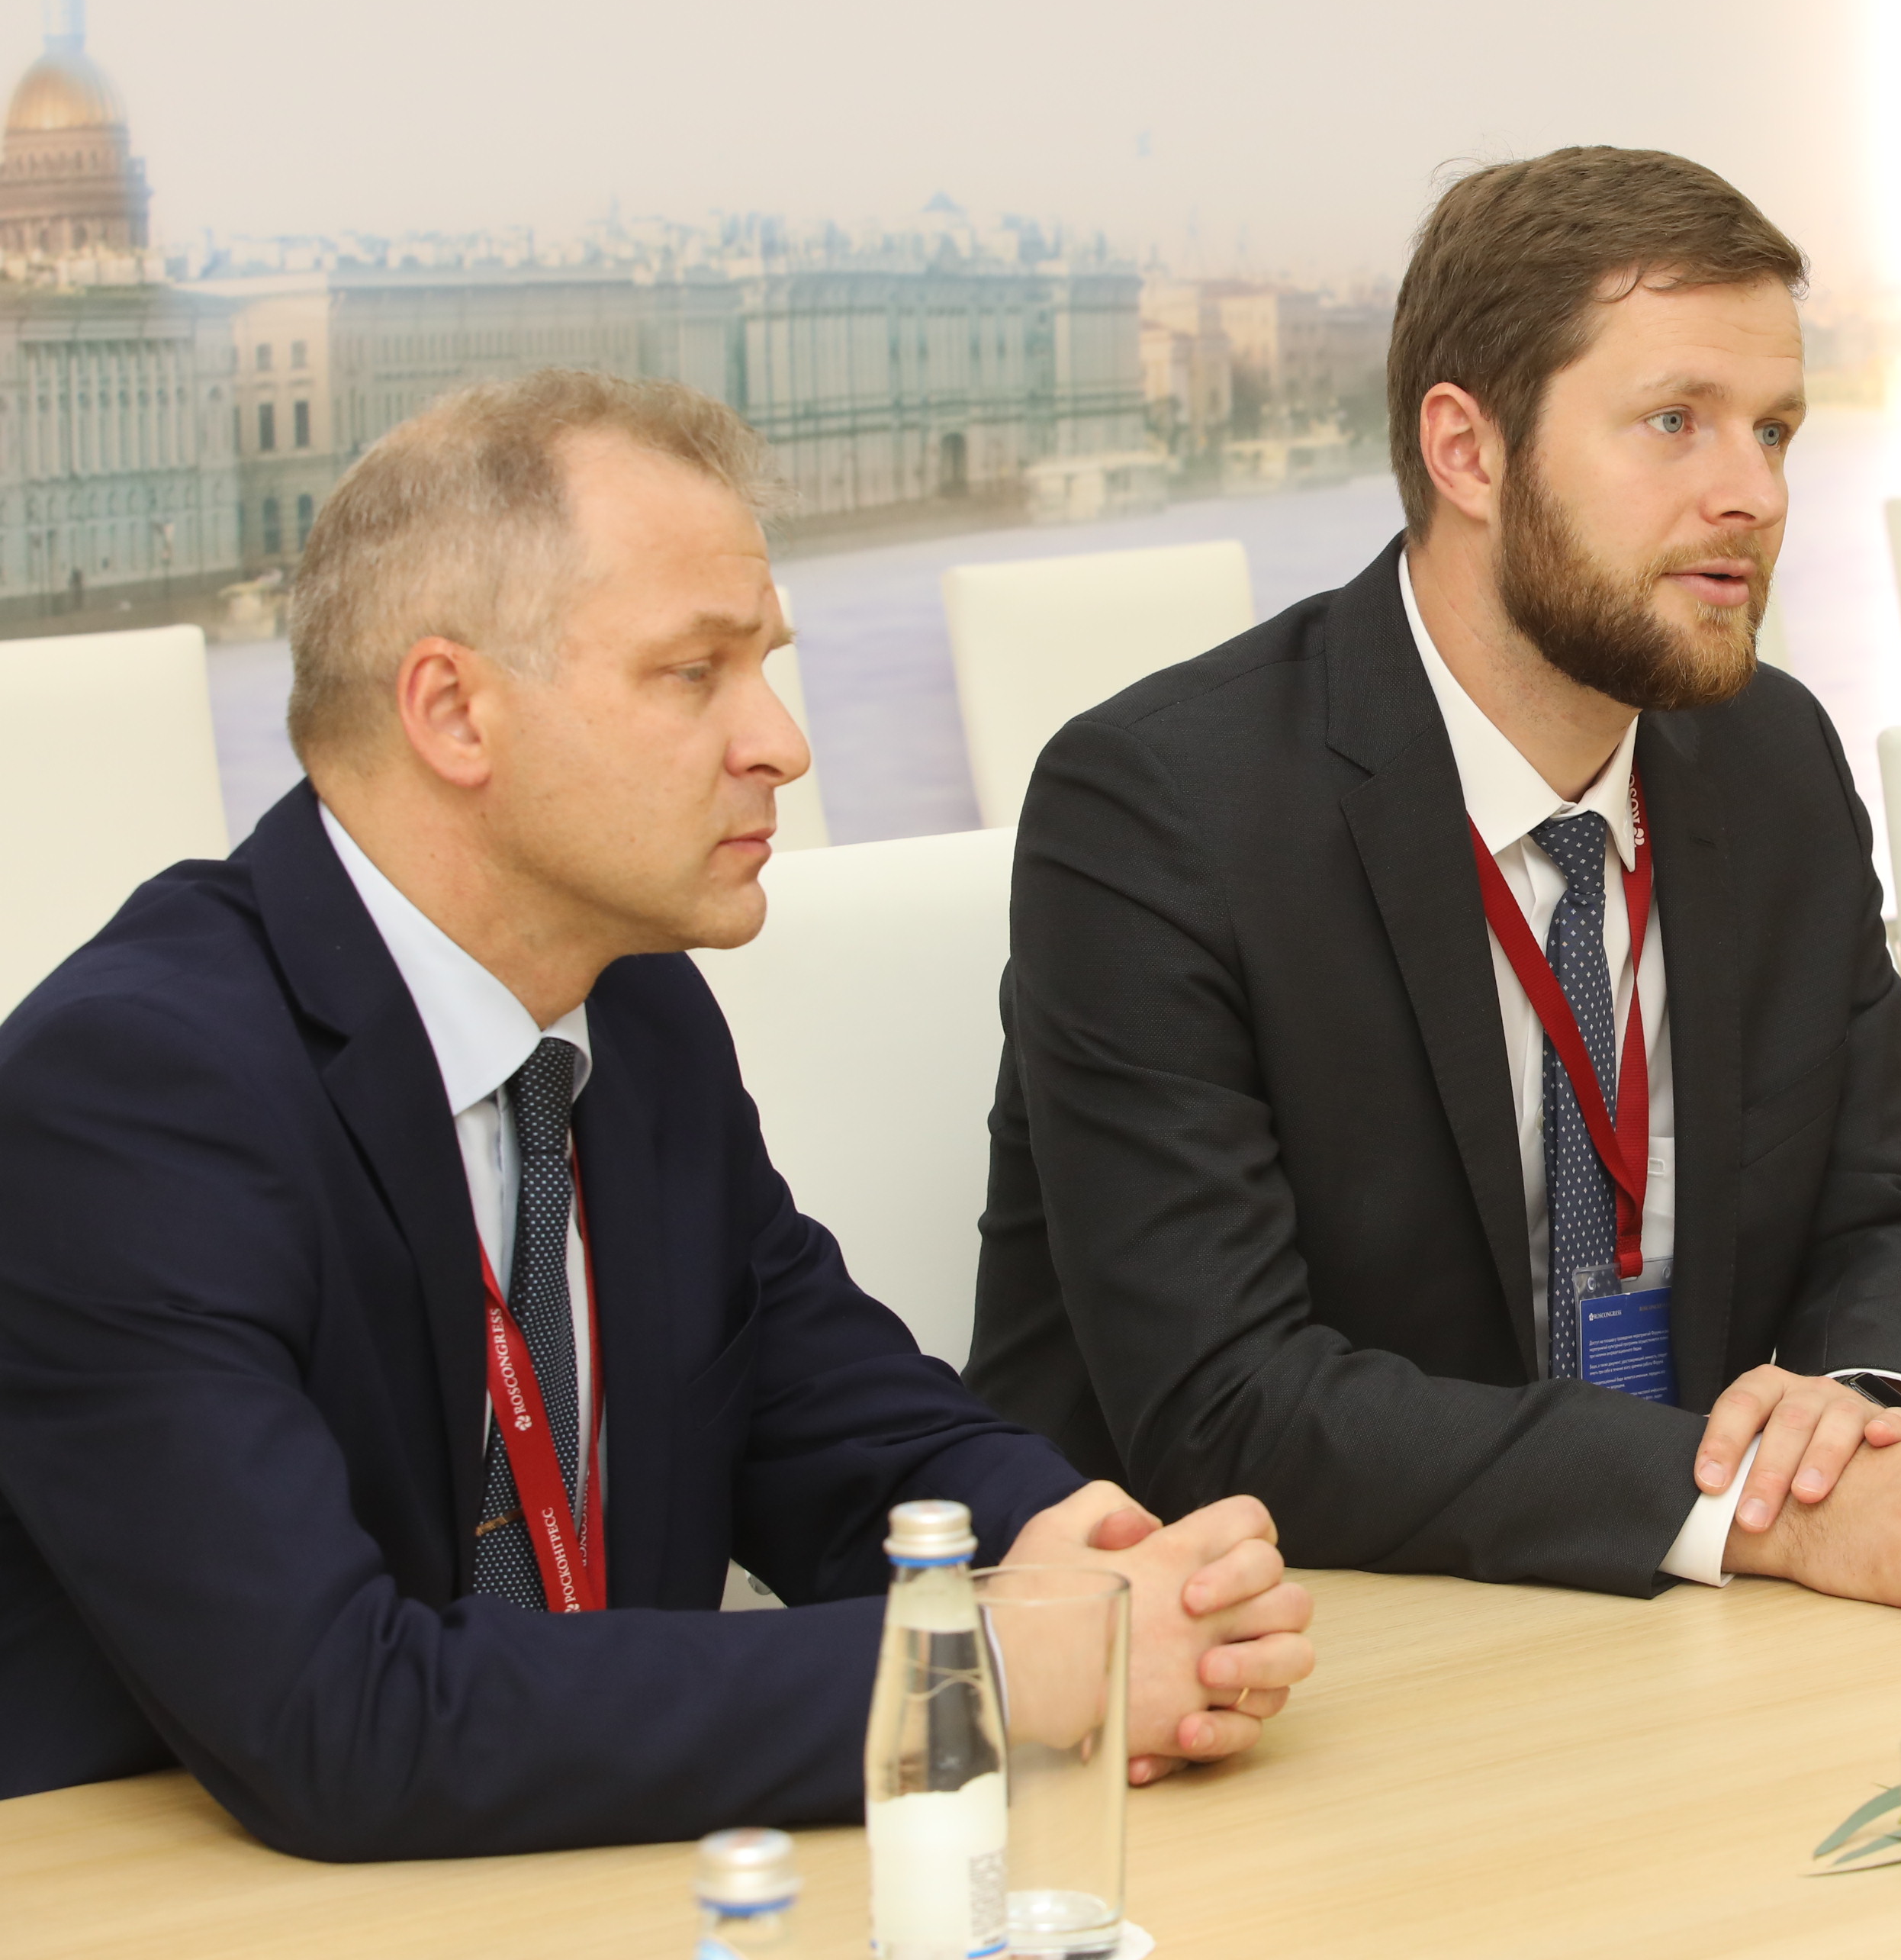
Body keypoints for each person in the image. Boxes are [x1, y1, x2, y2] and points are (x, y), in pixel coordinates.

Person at [0, 373, 1314, 1858]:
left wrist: (1089, 1564)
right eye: (696, 674)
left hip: (612, 1879)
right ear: (454, 711)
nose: (781, 744)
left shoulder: (633, 1012)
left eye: (767, 667)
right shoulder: (128, 1095)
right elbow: (337, 1717)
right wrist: (993, 1673)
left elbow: (840, 1429)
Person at [967, 146, 1901, 1614]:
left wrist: (1859, 1419)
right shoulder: (1163, 808)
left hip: (1676, 1628)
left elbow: (1895, 1216)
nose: (1754, 494)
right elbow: (1225, 1401)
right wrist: (1740, 1512)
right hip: (1272, 1642)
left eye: (1775, 431)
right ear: (1468, 453)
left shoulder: (1770, 758)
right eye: (1675, 422)